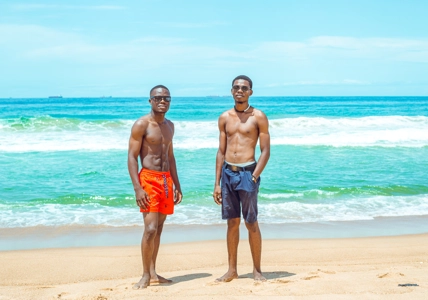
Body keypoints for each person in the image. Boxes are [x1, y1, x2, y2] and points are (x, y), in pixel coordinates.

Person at [213, 75, 270, 282]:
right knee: (232, 222)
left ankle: (257, 270)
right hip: (228, 173)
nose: (240, 91)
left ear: (250, 92)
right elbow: (220, 152)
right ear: (231, 91)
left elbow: (265, 151)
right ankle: (232, 270)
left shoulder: (258, 117)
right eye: (236, 87)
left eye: (244, 88)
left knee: (251, 222)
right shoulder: (224, 117)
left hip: (248, 173)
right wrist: (217, 184)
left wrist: (255, 176)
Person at [128, 85, 182, 289]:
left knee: (158, 228)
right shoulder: (142, 124)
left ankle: (153, 272)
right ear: (150, 100)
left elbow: (170, 156)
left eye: (167, 98)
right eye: (158, 98)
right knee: (150, 229)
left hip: (166, 180)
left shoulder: (170, 126)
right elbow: (132, 158)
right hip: (148, 180)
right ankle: (144, 275)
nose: (163, 101)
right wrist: (137, 188)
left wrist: (176, 184)